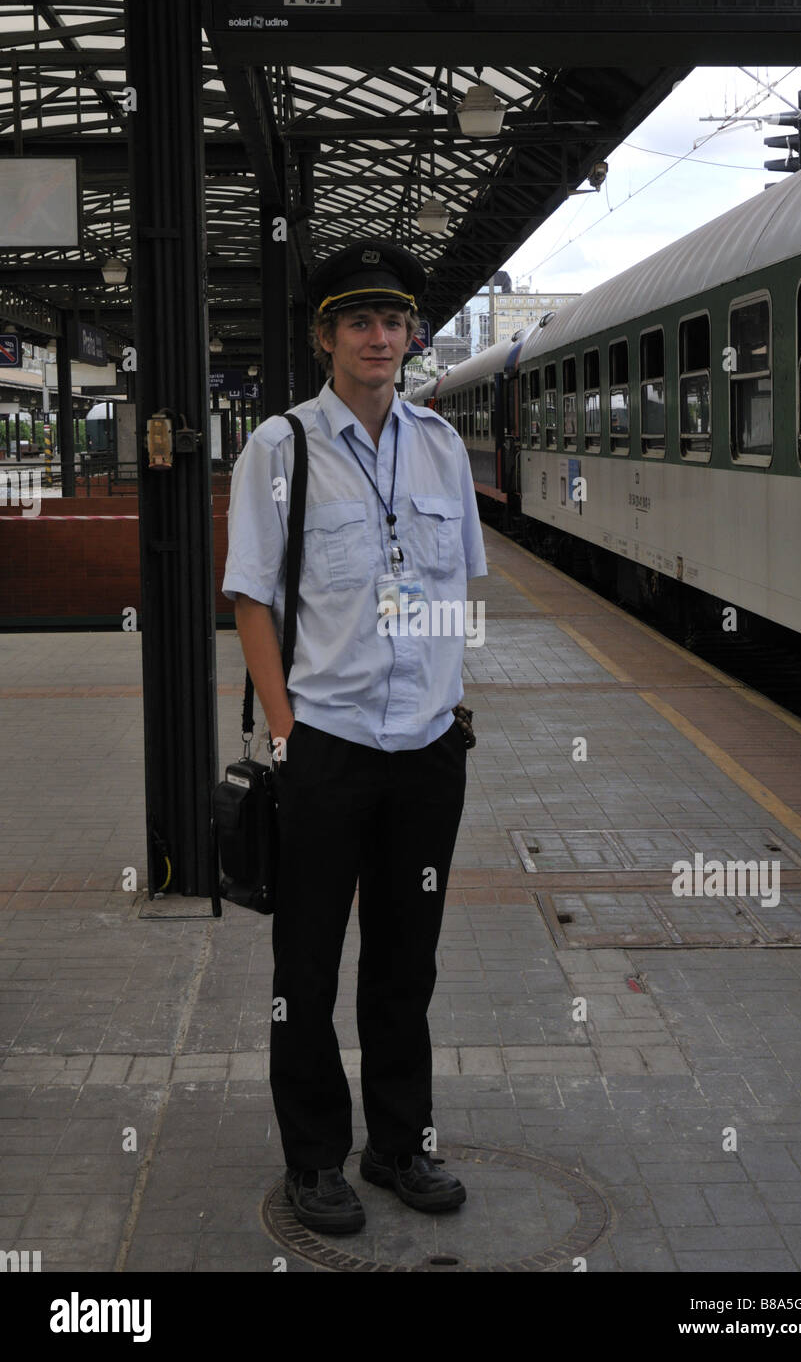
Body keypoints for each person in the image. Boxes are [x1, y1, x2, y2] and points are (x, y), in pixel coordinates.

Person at [221, 240, 487, 1235]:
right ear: (325, 336)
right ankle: (313, 1160)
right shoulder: (279, 449)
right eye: (359, 322)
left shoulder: (440, 446)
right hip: (324, 749)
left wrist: (445, 700)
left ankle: (397, 1143)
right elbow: (250, 597)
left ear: (411, 334)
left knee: (404, 962)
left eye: (394, 321)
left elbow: (455, 580)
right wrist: (285, 734)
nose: (380, 338)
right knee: (306, 966)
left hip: (424, 752)